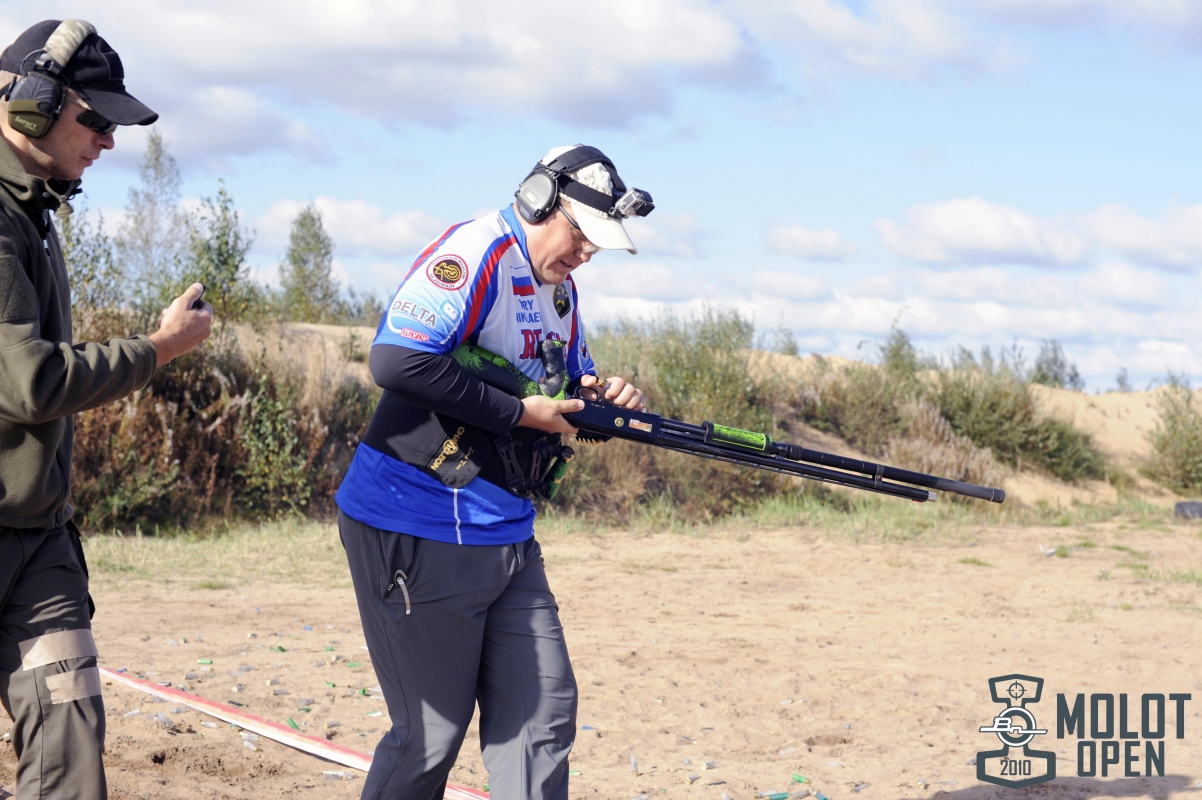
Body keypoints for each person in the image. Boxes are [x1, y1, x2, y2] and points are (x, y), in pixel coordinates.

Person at [336, 145, 652, 800]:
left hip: (506, 533)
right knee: (429, 737)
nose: (587, 253)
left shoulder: (560, 291)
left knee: (542, 720)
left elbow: (564, 396)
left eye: (598, 244)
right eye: (582, 235)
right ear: (539, 200)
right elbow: (396, 361)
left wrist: (605, 404)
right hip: (416, 523)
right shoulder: (476, 252)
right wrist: (517, 413)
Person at [0, 19, 212, 800]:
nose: (109, 141)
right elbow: (30, 384)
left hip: (39, 538)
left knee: (70, 736)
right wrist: (160, 348)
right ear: (30, 102)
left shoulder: (33, 211)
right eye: (95, 119)